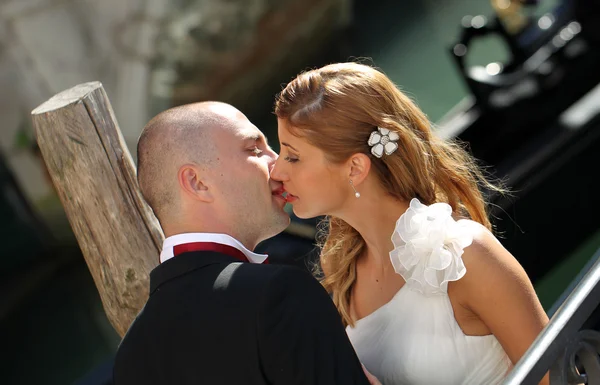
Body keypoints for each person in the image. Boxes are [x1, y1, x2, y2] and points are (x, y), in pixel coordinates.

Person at [270, 62, 550, 385]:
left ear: (355, 168)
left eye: (292, 156)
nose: (276, 171)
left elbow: (556, 376)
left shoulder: (464, 255)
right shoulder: (344, 277)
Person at [112, 101, 379, 385]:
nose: (277, 165)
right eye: (254, 150)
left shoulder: (129, 357)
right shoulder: (278, 294)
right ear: (197, 182)